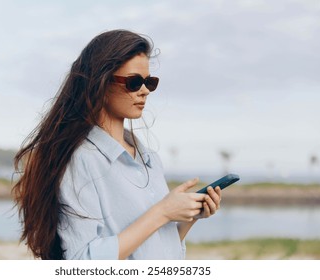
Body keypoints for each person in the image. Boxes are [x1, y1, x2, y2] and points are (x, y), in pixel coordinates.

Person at [13, 29, 222, 260]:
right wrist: (163, 212)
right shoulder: (81, 160)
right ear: (100, 84)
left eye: (149, 82)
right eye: (134, 82)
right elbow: (82, 262)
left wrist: (189, 216)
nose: (144, 91)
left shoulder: (149, 158)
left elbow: (154, 249)